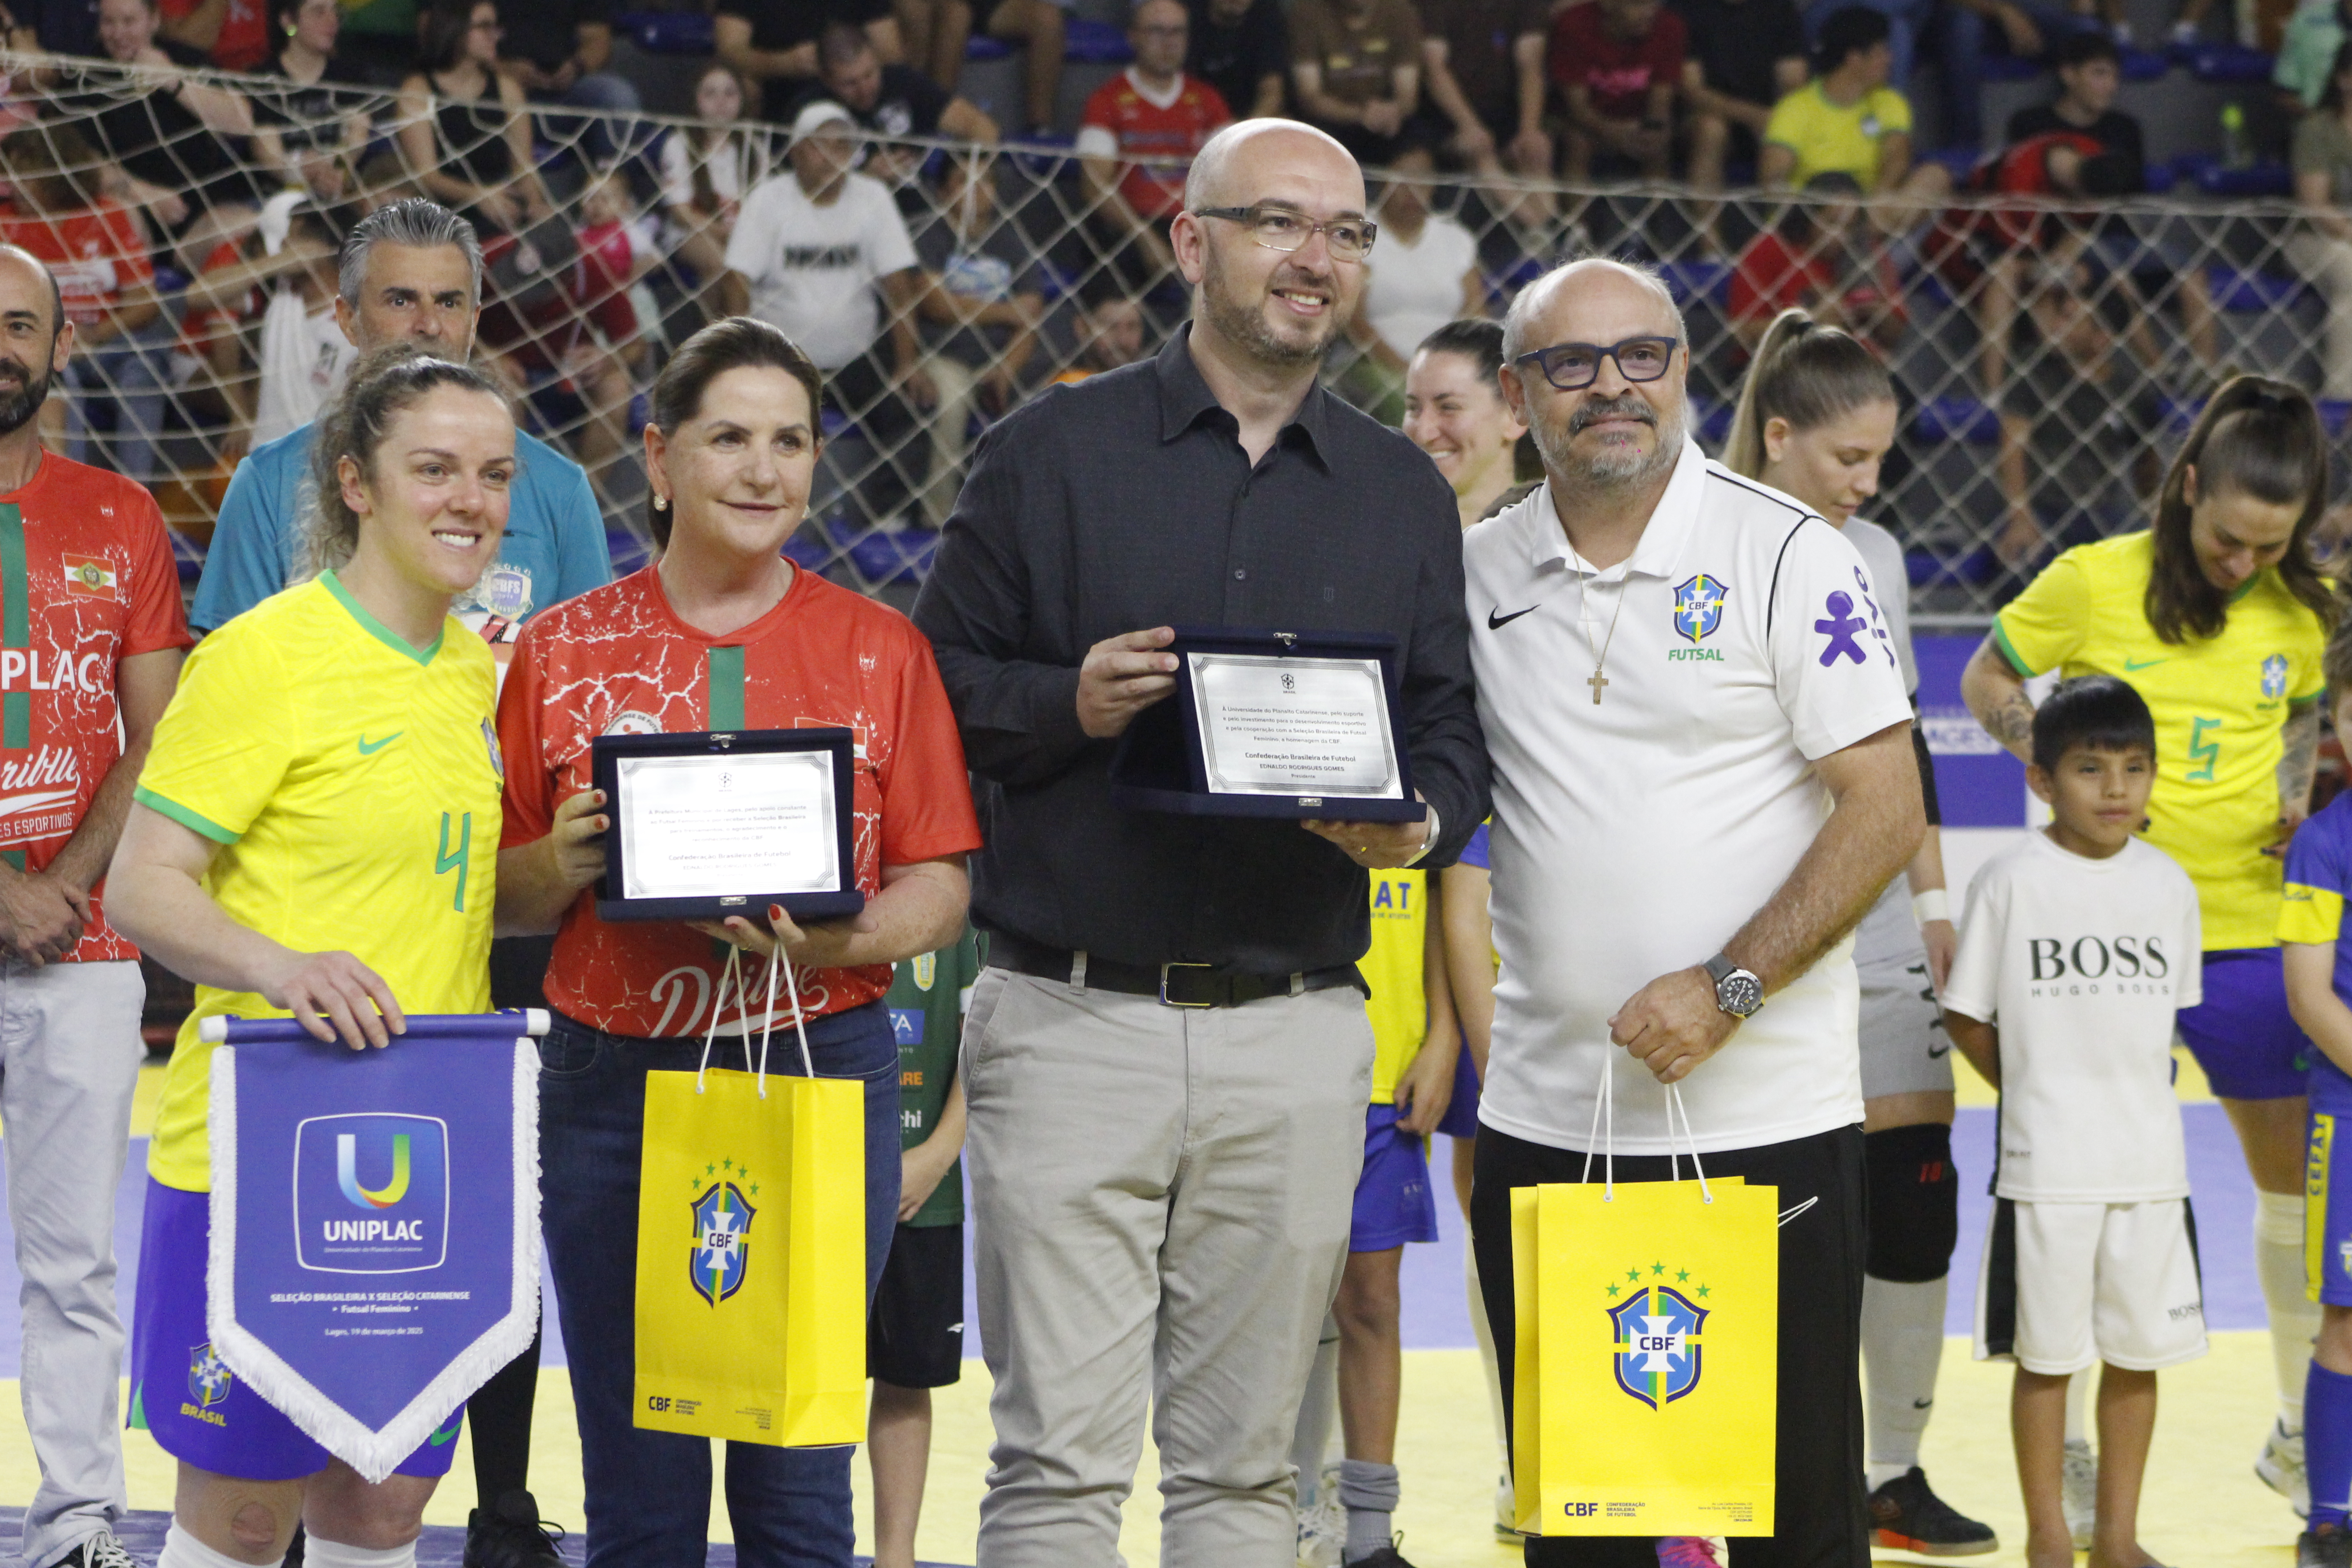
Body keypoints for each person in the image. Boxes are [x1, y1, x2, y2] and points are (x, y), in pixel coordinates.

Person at [909, 118, 1488, 1563]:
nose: (1317, 260)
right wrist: (1071, 701)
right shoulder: (1047, 453)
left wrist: (1414, 820)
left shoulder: (1402, 492)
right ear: (1191, 241)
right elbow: (933, 701)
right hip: (1067, 1014)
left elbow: (1454, 736)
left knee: (1244, 1481)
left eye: (1347, 235)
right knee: (1055, 1471)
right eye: (1281, 222)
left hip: (1294, 1034)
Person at [494, 315, 980, 1567]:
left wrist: (829, 947)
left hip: (818, 1063)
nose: (765, 471)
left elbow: (939, 885)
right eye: (729, 439)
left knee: (796, 1470)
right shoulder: (557, 649)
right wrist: (563, 865)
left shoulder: (884, 649)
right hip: (609, 1081)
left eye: (791, 442)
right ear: (658, 459)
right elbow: (495, 898)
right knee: (636, 1464)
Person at [1464, 256, 1922, 1565]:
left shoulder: (1787, 554)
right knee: (1584, 1528)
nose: (1613, 385)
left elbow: (1886, 808)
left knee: (1792, 1522)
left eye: (1644, 355)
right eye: (1571, 363)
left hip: (1765, 1125)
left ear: (1685, 370)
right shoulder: (1476, 573)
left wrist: (1730, 988)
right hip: (1553, 1126)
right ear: (1516, 395)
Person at [104, 344, 517, 1568]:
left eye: (492, 474)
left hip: (429, 1150)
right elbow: (141, 886)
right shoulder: (264, 656)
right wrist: (286, 969)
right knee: (241, 1514)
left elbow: (458, 894)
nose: (469, 500)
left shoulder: (473, 672)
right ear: (356, 483)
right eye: (432, 468)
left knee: (384, 1505)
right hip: (258, 1153)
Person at [1961, 377, 2337, 1520]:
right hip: (2093, 936)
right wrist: (2058, 752)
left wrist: (2297, 788)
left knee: (2288, 1192)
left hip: (2241, 933)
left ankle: (2290, 1426)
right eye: (2227, 536)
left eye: (2270, 545)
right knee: (2071, 1186)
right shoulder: (2089, 576)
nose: (2242, 561)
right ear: (2184, 492)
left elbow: (2309, 724)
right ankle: (2067, 1453)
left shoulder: (2296, 611)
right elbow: (1983, 677)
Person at [1720, 307, 1996, 1556]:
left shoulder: (1873, 554)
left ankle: (1894, 1466)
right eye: (1847, 459)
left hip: (1879, 913)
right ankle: (1750, 1454)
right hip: (1749, 922)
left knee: (1915, 1190)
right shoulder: (1702, 539)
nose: (1869, 483)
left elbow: (1902, 753)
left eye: (1882, 459)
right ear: (1779, 438)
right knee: (1767, 1206)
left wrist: (1936, 914)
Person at [0, 245, 189, 1568]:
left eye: (20, 326)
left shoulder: (122, 515)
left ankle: (77, 1526)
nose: (0, 343)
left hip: (88, 944)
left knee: (75, 1261)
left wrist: (60, 888)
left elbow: (163, 734)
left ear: (61, 349)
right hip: (43, 916)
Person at [1943, 676, 2207, 1568]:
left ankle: (2118, 1540)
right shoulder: (2010, 882)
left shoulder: (2170, 885)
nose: (2116, 789)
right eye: (2091, 769)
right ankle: (2048, 1538)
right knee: (2047, 1359)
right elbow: (1968, 1014)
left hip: (2149, 1168)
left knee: (2139, 1356)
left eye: (2135, 769)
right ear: (2043, 782)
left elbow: (2164, 1026)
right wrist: (2029, 1093)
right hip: (2046, 1171)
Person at [193, 199, 612, 648]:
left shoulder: (560, 489)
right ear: (347, 320)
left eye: (449, 303)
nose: (428, 324)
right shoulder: (267, 483)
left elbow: (593, 681)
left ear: (473, 325)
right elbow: (227, 682)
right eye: (400, 300)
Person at [1290, 855, 1460, 1568]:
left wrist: (1444, 1036)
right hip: (1287, 1063)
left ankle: (1366, 1535)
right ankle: (1283, 1509)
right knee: (1269, 1304)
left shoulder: (1424, 755)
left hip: (1389, 1071)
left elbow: (1448, 898)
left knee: (1371, 1303)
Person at [720, 99, 932, 532]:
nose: (834, 155)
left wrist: (908, 362)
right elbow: (736, 279)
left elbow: (899, 285)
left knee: (910, 409)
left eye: (843, 145)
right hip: (782, 363)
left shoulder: (872, 198)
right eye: (822, 145)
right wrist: (739, 358)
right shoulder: (768, 201)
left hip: (858, 360)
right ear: (797, 150)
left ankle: (889, 519)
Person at [869, 927, 983, 1568]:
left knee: (908, 1377)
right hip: (812, 1176)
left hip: (921, 1186)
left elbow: (984, 1037)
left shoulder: (960, 905)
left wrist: (941, 1153)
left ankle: (896, 1558)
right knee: (805, 1379)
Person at [2283, 626, 2352, 1568]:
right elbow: (2308, 992)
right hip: (2349, 1111)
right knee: (2347, 1318)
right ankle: (2332, 1514)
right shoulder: (2324, 842)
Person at [0, 126, 165, 485]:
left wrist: (94, 336)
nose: (12, 184)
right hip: (45, 343)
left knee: (145, 372)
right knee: (54, 375)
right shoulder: (5, 223)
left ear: (57, 173)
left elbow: (147, 301)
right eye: (10, 173)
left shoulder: (108, 214)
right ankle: (70, 494)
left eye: (24, 174)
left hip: (106, 341)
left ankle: (137, 493)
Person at [1991, 262, 2166, 572]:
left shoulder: (2131, 391)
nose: (2057, 325)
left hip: (2104, 512)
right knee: (2018, 560)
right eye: (2060, 314)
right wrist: (2020, 515)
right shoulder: (2034, 373)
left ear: (2102, 339)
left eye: (2070, 319)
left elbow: (2146, 463)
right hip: (2043, 510)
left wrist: (2153, 516)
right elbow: (2012, 448)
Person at [911, 151, 1043, 528]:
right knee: (952, 405)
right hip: (941, 355)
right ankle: (936, 522)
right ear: (943, 192)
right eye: (963, 182)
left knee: (1043, 408)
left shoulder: (1010, 237)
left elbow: (1031, 311)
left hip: (1002, 357)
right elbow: (936, 305)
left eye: (985, 182)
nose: (976, 192)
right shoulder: (929, 232)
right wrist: (1005, 311)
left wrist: (1006, 368)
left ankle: (1021, 524)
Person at [1077, 0, 1232, 288]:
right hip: (1129, 226)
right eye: (1157, 31)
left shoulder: (1209, 101)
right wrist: (1144, 238)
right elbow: (1094, 186)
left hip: (1192, 224)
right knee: (1104, 238)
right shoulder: (1106, 100)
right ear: (1133, 36)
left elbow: (1231, 178)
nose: (1169, 42)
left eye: (1177, 32)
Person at [1340, 140, 1481, 421]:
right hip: (1377, 364)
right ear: (1381, 180)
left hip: (1451, 366)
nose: (1412, 188)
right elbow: (1354, 320)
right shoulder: (1358, 234)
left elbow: (1476, 310)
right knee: (1406, 407)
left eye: (1422, 177)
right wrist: (1406, 371)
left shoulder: (1455, 238)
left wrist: (1454, 367)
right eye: (1401, 177)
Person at [396, 0, 554, 235]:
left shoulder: (507, 90)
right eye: (485, 26)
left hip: (501, 203)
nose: (496, 36)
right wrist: (478, 195)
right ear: (455, 29)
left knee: (553, 234)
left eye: (496, 27)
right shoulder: (418, 90)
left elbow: (523, 167)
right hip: (442, 212)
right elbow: (426, 175)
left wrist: (535, 205)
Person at [808, 20, 999, 191]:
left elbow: (982, 129)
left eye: (869, 75)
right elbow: (807, 186)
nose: (865, 89)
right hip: (850, 221)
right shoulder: (812, 111)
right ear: (827, 80)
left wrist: (953, 178)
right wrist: (863, 179)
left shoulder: (902, 82)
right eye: (850, 83)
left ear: (877, 61)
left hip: (919, 214)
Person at [1728, 173, 1906, 353]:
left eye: (1849, 227)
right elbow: (1742, 332)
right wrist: (1810, 322)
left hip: (1854, 369)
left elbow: (1898, 333)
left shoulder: (1868, 254)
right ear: (1808, 215)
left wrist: (1877, 315)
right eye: (1831, 223)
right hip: (1783, 367)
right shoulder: (1769, 249)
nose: (1840, 235)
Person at [658, 64, 769, 327]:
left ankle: (745, 335)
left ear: (742, 100)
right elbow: (680, 211)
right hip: (692, 232)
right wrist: (721, 233)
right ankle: (712, 338)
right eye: (710, 94)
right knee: (720, 264)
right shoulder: (679, 144)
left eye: (730, 93)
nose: (721, 102)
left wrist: (741, 234)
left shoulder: (755, 148)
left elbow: (765, 205)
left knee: (746, 264)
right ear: (695, 101)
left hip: (742, 232)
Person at [1761, 7, 1914, 192]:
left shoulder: (1890, 101)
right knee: (1839, 197)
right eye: (1881, 52)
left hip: (1871, 206)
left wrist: (1873, 204)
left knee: (1935, 176)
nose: (1889, 59)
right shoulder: (1795, 107)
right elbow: (1773, 177)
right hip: (1811, 206)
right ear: (1854, 59)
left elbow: (1897, 158)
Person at [248, 0, 376, 210]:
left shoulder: (349, 75)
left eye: (336, 12)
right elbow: (267, 154)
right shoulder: (263, 79)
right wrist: (305, 172)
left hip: (340, 188)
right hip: (279, 196)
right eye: (319, 12)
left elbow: (356, 136)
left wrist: (336, 171)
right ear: (288, 20)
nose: (332, 20)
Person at [1403, 318, 1528, 530]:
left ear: (1514, 414)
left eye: (1449, 407)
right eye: (1414, 409)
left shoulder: (1558, 539)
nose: (1424, 433)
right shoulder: (1374, 532)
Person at [1671, 0, 1807, 191]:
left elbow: (1793, 83)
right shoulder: (1687, 9)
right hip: (1702, 116)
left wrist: (1782, 119)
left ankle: (1775, 218)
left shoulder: (1779, 8)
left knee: (1787, 130)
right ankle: (1707, 220)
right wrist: (1753, 116)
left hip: (1766, 116)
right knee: (1712, 130)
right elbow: (1692, 91)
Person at [1547, 0, 1684, 182]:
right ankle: (1576, 211)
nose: (1650, 13)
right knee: (1578, 142)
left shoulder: (1669, 27)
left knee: (1657, 144)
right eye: (1639, 5)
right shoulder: (1574, 25)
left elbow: (1661, 103)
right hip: (1582, 122)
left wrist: (1653, 130)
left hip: (1638, 122)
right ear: (1608, 5)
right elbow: (1577, 108)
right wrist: (1613, 132)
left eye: (1654, 4)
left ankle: (1657, 209)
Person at [1417, 0, 1550, 181]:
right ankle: (1523, 211)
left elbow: (1530, 64)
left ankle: (1546, 211)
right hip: (1446, 119)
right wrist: (1470, 126)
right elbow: (1435, 70)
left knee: (1535, 150)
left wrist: (1529, 131)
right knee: (1478, 147)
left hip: (1504, 113)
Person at [492, 0, 642, 156]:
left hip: (566, 93)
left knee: (617, 96)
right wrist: (504, 70)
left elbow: (598, 40)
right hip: (499, 95)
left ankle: (609, 177)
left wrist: (577, 67)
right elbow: (468, 37)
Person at [713, 0, 899, 124]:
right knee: (742, 87)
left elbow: (891, 54)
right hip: (778, 92)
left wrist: (857, 67)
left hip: (854, 93)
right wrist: (785, 63)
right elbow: (729, 52)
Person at [1288, 0, 1422, 167]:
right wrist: (1360, 115)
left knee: (1416, 162)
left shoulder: (1400, 12)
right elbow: (1309, 96)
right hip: (1326, 125)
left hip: (1388, 123)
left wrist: (1392, 111)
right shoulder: (1307, 12)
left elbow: (1408, 96)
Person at [2296, 43, 2352, 402]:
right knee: (2351, 267)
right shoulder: (2318, 129)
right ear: (2344, 79)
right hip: (2314, 238)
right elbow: (2315, 206)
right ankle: (2342, 395)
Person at [1186, 0, 1286, 121]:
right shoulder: (1183, 15)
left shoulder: (1267, 16)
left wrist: (1241, 132)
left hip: (1246, 123)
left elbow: (1272, 94)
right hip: (1193, 120)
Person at [1048, 278, 1148, 382]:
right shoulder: (1071, 386)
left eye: (1132, 327)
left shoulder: (1150, 384)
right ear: (1082, 327)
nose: (1123, 340)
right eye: (1111, 327)